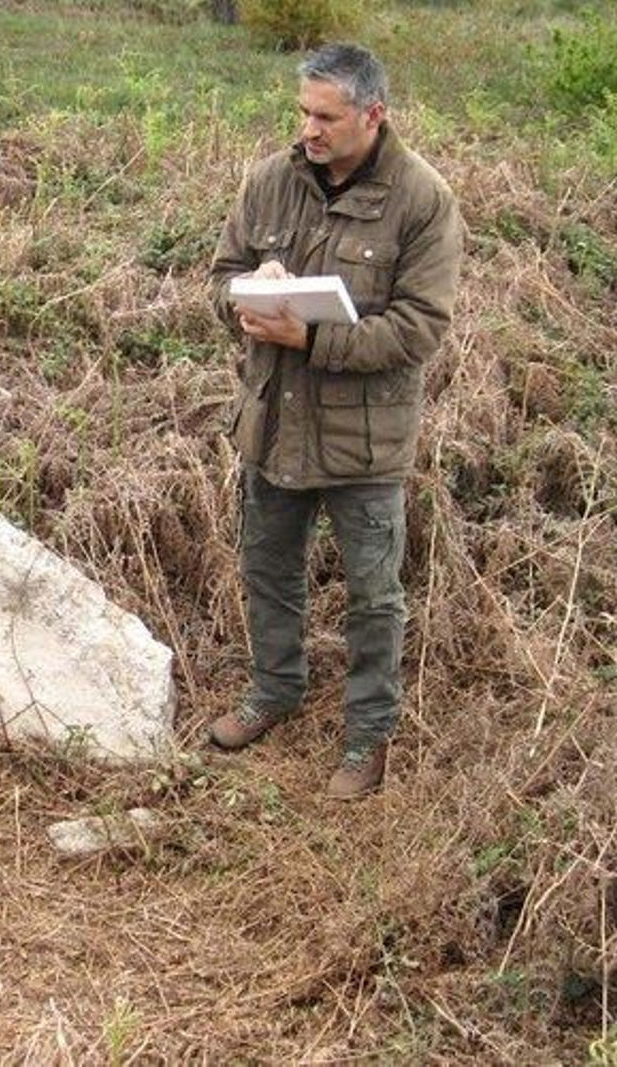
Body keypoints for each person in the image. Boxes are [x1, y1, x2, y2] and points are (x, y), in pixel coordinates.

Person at [206, 43, 462, 798]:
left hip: (365, 442)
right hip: (276, 421)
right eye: (302, 112)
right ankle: (275, 691)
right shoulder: (272, 181)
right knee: (267, 568)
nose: (308, 130)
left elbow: (420, 328)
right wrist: (246, 294)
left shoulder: (422, 200)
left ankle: (368, 735)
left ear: (372, 115)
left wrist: (313, 338)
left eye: (326, 116)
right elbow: (218, 277)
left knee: (373, 595)